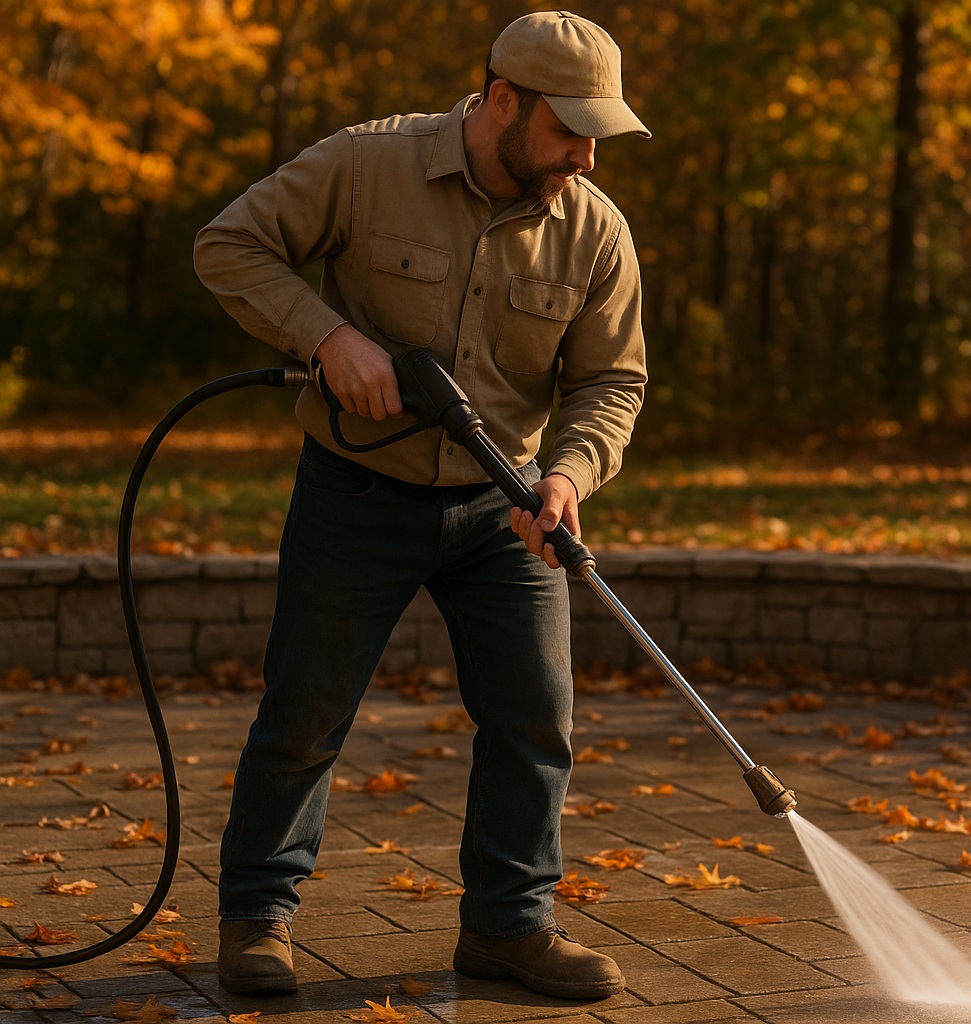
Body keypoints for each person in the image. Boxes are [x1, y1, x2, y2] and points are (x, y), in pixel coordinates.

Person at [192, 11, 648, 1002]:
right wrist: (326, 336)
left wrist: (567, 476)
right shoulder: (364, 167)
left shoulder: (594, 229)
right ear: (499, 103)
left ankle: (507, 926)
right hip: (356, 492)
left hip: (506, 508)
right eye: (571, 130)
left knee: (537, 717)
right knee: (307, 709)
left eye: (598, 134)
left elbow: (612, 382)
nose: (586, 155)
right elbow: (229, 246)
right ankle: (258, 914)